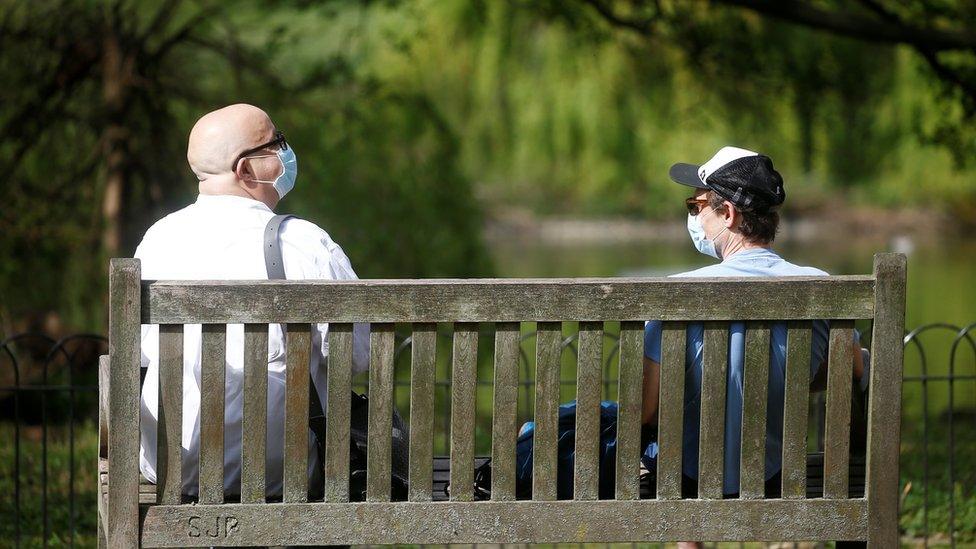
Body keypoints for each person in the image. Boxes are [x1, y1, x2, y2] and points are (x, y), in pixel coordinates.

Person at [136, 104, 369, 499]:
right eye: (276, 143)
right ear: (245, 170)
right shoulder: (306, 243)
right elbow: (358, 357)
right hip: (288, 472)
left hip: (174, 469)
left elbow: (142, 352)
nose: (286, 152)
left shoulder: (157, 239)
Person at [641, 147, 868, 545]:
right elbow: (852, 371)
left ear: (727, 214)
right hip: (780, 476)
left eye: (696, 207)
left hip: (690, 482)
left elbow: (645, 411)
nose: (693, 218)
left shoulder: (674, 295)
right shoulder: (820, 288)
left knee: (679, 446)